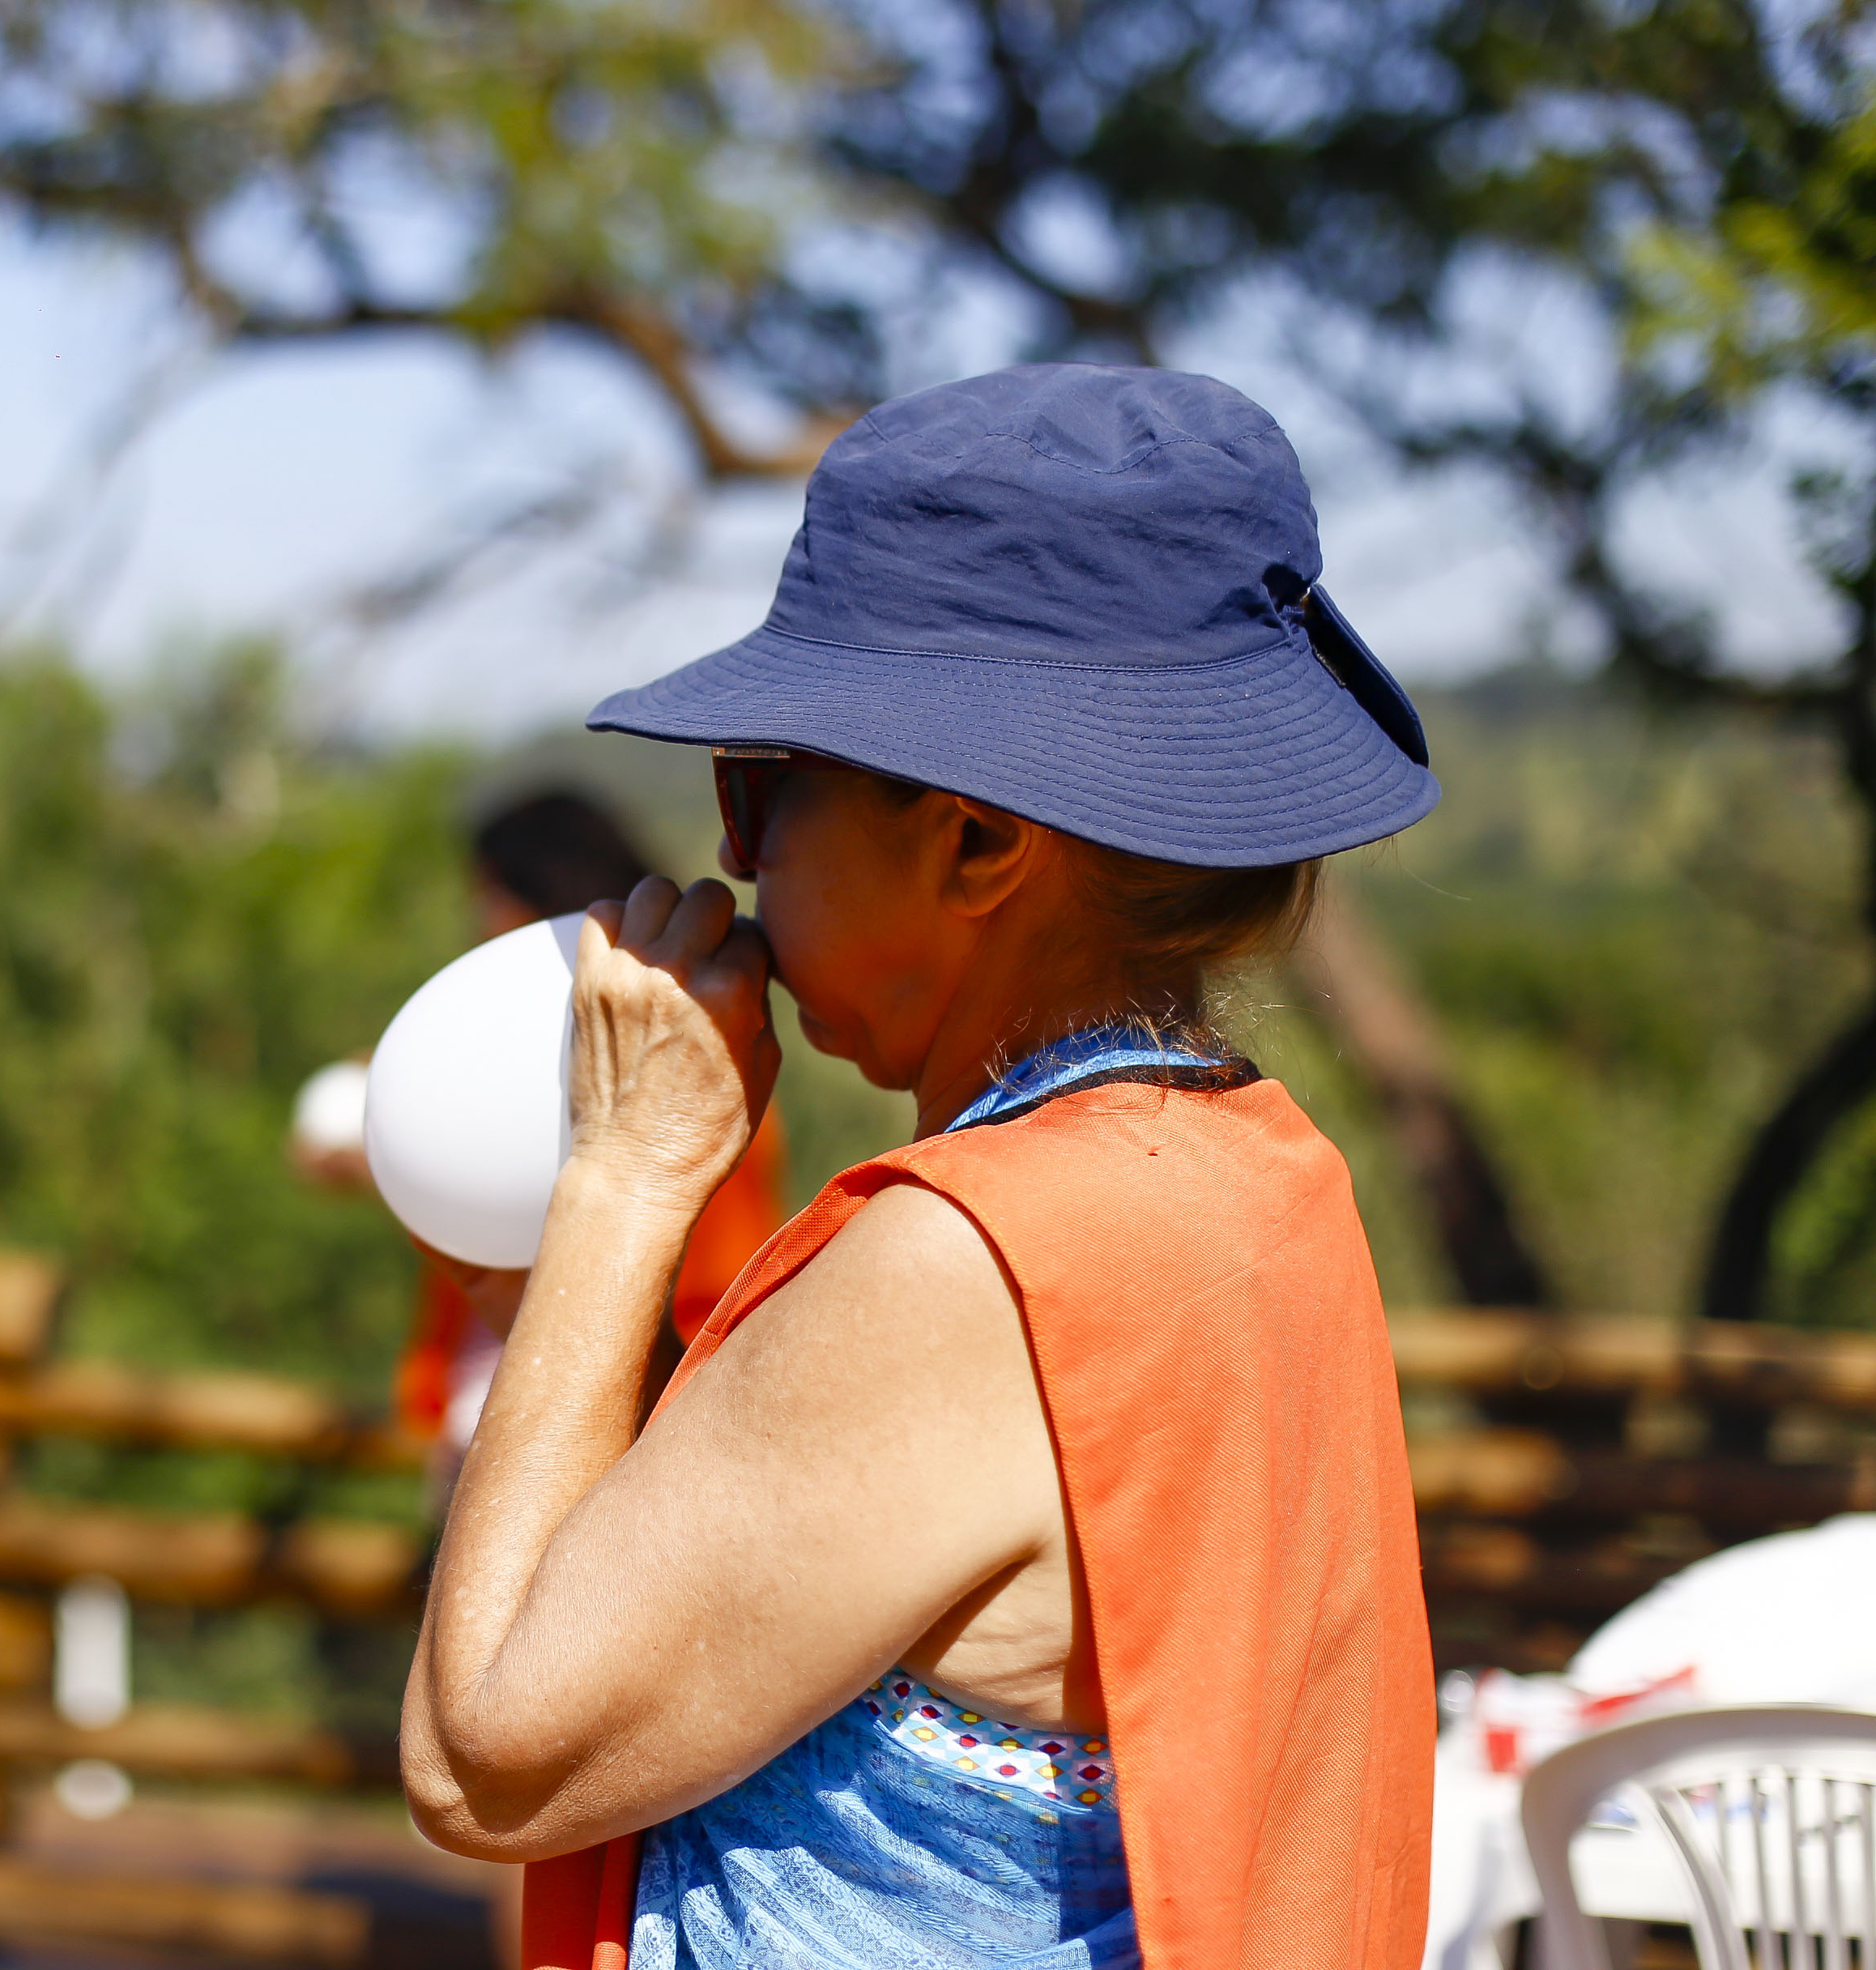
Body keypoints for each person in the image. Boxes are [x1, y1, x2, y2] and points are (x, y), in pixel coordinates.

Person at [399, 366, 1441, 1968]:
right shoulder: (1254, 1178)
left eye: (761, 787)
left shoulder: (966, 1263)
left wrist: (627, 1173)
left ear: (974, 842)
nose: (731, 857)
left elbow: (483, 1761)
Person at [369, 793, 787, 1488]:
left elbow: (715, 1300)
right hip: (487, 1432)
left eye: (490, 896)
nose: (479, 923)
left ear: (544, 899)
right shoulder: (484, 1073)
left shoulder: (697, 1088)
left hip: (614, 1451)